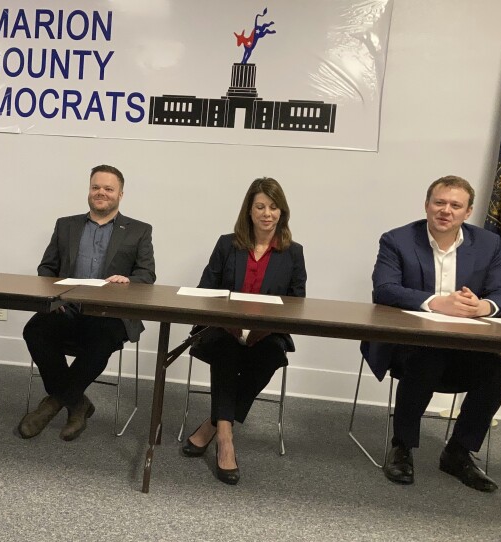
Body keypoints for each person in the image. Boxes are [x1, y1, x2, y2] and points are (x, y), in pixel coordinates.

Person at [361, 175, 501, 492]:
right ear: (427, 205)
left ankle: (458, 452)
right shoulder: (397, 240)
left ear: (467, 211)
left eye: (455, 205)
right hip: (409, 345)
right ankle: (402, 446)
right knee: (426, 358)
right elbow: (385, 290)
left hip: (463, 347)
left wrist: (482, 306)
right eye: (439, 202)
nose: (446, 210)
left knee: (499, 371)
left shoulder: (488, 244)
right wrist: (435, 303)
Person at [182, 178, 306, 485]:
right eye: (260, 207)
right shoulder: (228, 244)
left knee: (272, 354)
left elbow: (297, 303)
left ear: (282, 211)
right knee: (227, 349)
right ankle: (226, 439)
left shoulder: (293, 252)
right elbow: (205, 290)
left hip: (266, 333)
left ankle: (212, 426)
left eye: (273, 207)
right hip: (224, 328)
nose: (267, 214)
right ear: (248, 211)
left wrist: (266, 324)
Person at [18, 164, 156, 441]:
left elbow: (147, 274)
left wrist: (127, 280)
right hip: (66, 308)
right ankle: (77, 402)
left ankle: (53, 402)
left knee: (101, 342)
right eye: (96, 187)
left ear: (120, 194)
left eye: (108, 188)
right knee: (34, 331)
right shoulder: (66, 225)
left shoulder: (139, 230)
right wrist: (55, 296)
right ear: (89, 190)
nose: (101, 193)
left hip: (110, 314)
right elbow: (47, 268)